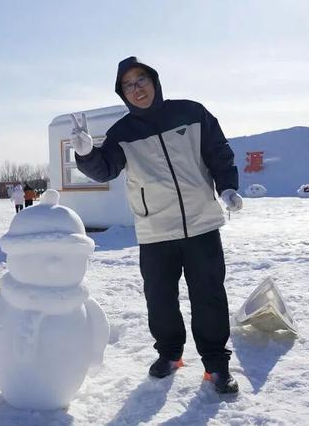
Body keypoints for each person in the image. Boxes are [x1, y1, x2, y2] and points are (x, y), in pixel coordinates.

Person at [70, 56, 243, 394]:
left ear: (154, 81)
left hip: (201, 223)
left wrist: (227, 187)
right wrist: (87, 154)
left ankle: (216, 366)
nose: (137, 89)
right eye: (128, 86)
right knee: (160, 299)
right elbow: (105, 170)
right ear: (123, 93)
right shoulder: (122, 133)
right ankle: (170, 354)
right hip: (155, 229)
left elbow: (218, 151)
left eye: (141, 81)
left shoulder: (191, 113)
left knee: (209, 295)